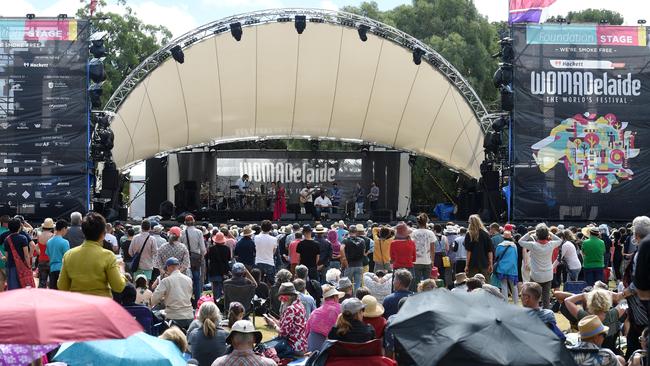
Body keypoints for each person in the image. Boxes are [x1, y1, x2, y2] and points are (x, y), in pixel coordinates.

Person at [56, 213, 125, 296]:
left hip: (78, 305)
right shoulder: (108, 256)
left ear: (83, 232)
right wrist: (121, 269)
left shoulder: (69, 255)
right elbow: (118, 287)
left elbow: (62, 286)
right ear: (103, 234)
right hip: (100, 305)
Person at [518, 224, 563, 309]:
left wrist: (529, 233)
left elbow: (520, 241)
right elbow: (560, 240)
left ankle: (532, 312)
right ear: (547, 235)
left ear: (537, 235)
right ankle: (546, 314)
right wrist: (550, 233)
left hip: (535, 275)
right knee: (546, 298)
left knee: (533, 295)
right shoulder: (551, 244)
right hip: (548, 275)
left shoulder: (533, 245)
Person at [151, 257, 194, 329]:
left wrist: (163, 299)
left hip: (174, 317)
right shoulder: (189, 279)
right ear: (178, 266)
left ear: (168, 267)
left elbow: (154, 299)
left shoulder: (166, 281)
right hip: (189, 315)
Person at [266, 282, 308, 355]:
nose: (281, 300)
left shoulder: (290, 309)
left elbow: (283, 333)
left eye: (282, 297)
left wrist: (273, 325)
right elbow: (289, 326)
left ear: (289, 296)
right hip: (301, 345)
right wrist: (274, 320)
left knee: (266, 350)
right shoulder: (300, 305)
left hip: (293, 346)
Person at [188, 302, 228, 366]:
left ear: (199, 316)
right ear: (217, 316)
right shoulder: (224, 335)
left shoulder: (193, 334)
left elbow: (190, 351)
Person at [306, 284, 344, 351]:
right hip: (333, 347)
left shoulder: (315, 312)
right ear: (335, 297)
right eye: (338, 296)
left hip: (313, 348)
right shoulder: (341, 309)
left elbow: (307, 331)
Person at [181, 215, 208, 307]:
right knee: (197, 280)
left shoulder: (182, 232)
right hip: (196, 258)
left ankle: (187, 300)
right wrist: (201, 257)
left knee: (186, 280)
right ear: (194, 221)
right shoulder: (198, 232)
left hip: (185, 258)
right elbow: (203, 249)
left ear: (185, 222)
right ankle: (197, 301)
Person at [2, 218, 33, 289]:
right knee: (23, 287)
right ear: (19, 227)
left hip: (10, 266)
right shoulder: (23, 238)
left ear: (9, 227)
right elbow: (26, 255)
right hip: (22, 267)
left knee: (13, 289)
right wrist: (28, 265)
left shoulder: (7, 239)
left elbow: (6, 256)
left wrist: (2, 257)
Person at [411, 214, 436, 288]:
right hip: (427, 260)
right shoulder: (430, 233)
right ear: (426, 222)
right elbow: (432, 249)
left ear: (417, 222)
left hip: (416, 260)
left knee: (416, 282)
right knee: (427, 282)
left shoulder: (413, 233)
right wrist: (432, 261)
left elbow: (412, 247)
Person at [494, 231, 519, 304]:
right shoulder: (514, 246)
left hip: (502, 268)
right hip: (512, 268)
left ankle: (506, 303)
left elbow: (497, 256)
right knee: (514, 287)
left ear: (503, 237)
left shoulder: (499, 246)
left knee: (504, 286)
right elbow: (516, 257)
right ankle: (516, 303)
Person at [45, 220, 69, 290]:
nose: (66, 231)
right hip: (62, 269)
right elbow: (67, 257)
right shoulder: (65, 242)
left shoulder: (49, 242)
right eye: (66, 229)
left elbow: (48, 254)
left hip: (52, 269)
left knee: (54, 293)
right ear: (63, 229)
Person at [390, 223, 416, 289]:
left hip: (397, 267)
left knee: (396, 289)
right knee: (411, 289)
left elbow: (392, 258)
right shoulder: (412, 243)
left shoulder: (393, 243)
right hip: (409, 267)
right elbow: (414, 258)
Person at [206, 232, 231, 300]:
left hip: (214, 271)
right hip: (224, 271)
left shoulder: (211, 249)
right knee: (224, 288)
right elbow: (228, 259)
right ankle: (223, 303)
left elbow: (208, 258)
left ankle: (216, 302)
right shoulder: (227, 248)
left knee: (215, 288)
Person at [36, 218, 55, 288]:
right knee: (52, 282)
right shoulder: (53, 236)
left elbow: (36, 247)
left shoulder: (39, 235)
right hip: (51, 260)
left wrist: (40, 253)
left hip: (41, 260)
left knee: (42, 282)